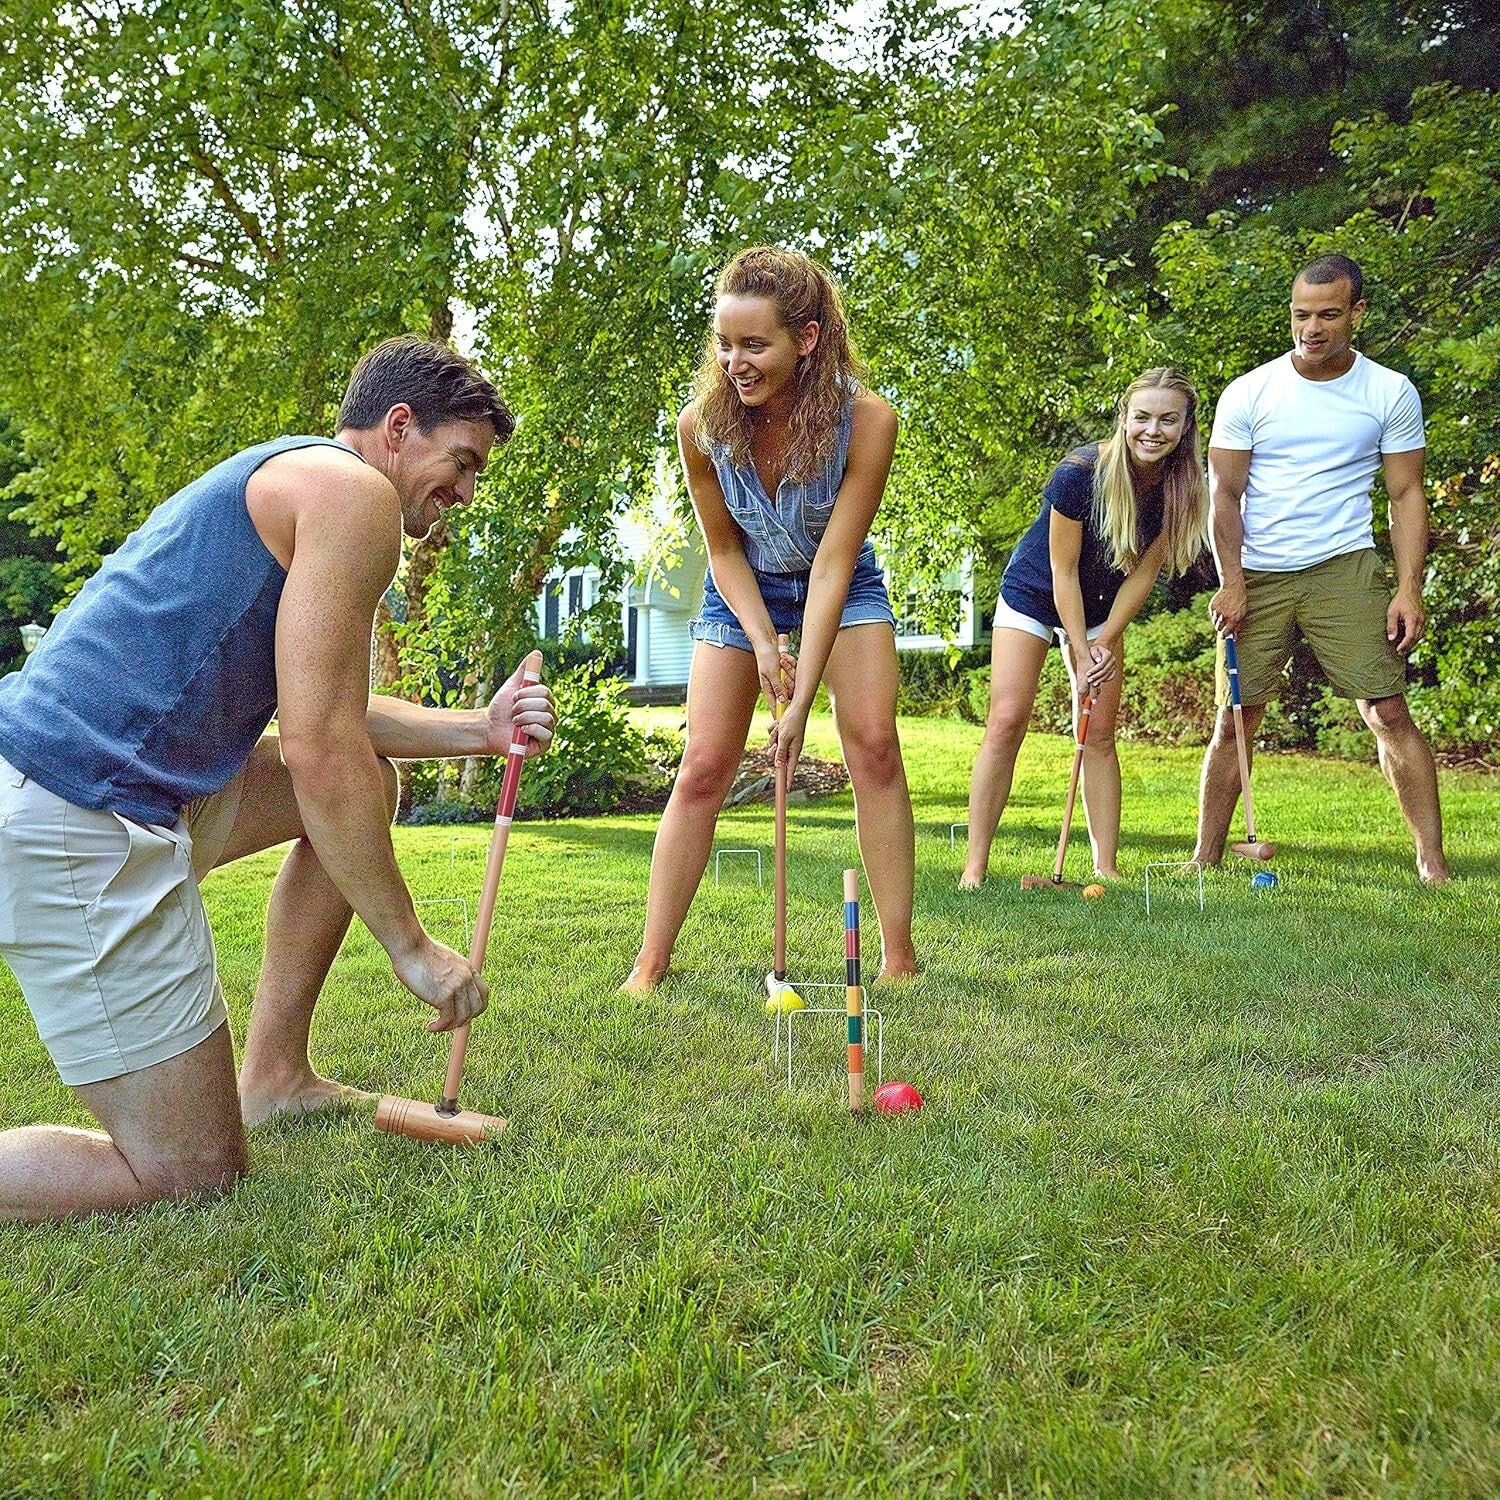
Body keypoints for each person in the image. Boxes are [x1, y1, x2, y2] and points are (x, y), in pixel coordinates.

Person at [0, 335, 557, 1222]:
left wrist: (480, 732)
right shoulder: (352, 495)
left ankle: (277, 1076)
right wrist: (412, 947)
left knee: (370, 780)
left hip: (115, 785)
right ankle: (244, 1098)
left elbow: (328, 710)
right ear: (399, 427)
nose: (464, 493)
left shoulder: (302, 478)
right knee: (189, 1171)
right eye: (461, 463)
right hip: (78, 809)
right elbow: (317, 745)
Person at [622, 247, 917, 991]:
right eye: (725, 344)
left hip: (840, 588)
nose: (734, 362)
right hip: (744, 589)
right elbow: (722, 549)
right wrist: (760, 642)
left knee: (875, 746)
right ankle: (650, 962)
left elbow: (833, 565)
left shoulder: (867, 421)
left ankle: (898, 955)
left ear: (807, 339)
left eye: (755, 345)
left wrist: (800, 700)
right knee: (702, 769)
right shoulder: (702, 428)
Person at [1190, 254, 1450, 883]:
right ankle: (1205, 859)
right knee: (1235, 719)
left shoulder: (1389, 392)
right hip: (1258, 573)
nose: (1312, 328)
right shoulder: (1250, 392)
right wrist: (1231, 581)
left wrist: (1409, 588)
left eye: (1329, 314)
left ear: (1355, 314)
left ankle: (1432, 862)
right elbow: (1222, 494)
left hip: (1344, 565)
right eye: (1302, 315)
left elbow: (1406, 495)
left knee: (1387, 711)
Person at [960, 368, 1209, 888]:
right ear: (1123, 418)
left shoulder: (1182, 487)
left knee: (1097, 733)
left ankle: (1106, 868)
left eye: (1168, 419)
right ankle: (975, 867)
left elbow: (1144, 572)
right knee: (1007, 720)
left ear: (1186, 427)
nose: (1152, 430)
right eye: (1141, 417)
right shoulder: (1080, 472)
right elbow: (1062, 570)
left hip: (1105, 604)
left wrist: (1103, 639)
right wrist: (1078, 647)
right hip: (1035, 591)